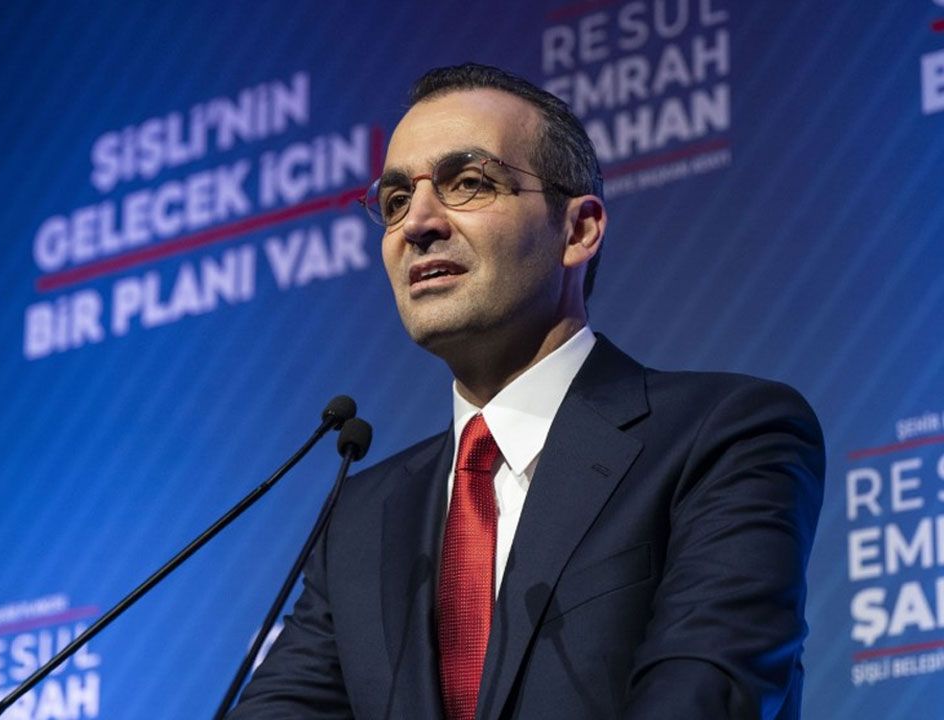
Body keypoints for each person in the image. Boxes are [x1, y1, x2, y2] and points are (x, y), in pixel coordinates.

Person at [228, 63, 824, 720]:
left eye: (468, 183)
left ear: (578, 230)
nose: (416, 223)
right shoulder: (361, 519)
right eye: (395, 201)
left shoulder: (724, 436)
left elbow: (704, 694)